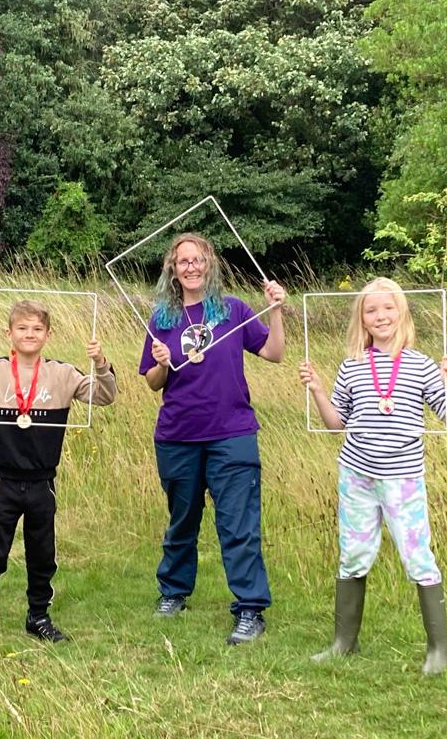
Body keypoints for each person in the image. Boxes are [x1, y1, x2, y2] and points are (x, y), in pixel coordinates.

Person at [298, 277, 447, 675]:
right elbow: (336, 424)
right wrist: (318, 390)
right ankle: (344, 643)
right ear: (363, 319)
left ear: (402, 311)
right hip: (356, 475)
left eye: (387, 308)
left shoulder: (423, 365)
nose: (380, 316)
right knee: (353, 555)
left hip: (402, 478)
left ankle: (438, 651)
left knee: (417, 556)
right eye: (371, 310)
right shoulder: (352, 366)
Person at [0, 300, 117, 653]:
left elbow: (105, 396)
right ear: (9, 333)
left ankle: (38, 617)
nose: (29, 334)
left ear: (47, 335)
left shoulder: (63, 375)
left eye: (37, 329)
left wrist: (101, 362)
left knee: (43, 555)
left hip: (42, 482)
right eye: (22, 328)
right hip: (1, 483)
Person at [139, 233, 286, 645]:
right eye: (183, 261)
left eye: (198, 259)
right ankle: (173, 592)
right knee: (182, 521)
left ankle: (251, 609)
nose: (191, 267)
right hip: (178, 435)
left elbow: (275, 354)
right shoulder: (161, 319)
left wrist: (276, 311)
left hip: (232, 434)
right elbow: (153, 383)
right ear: (173, 268)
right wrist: (162, 365)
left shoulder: (233, 310)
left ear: (210, 264)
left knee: (238, 524)